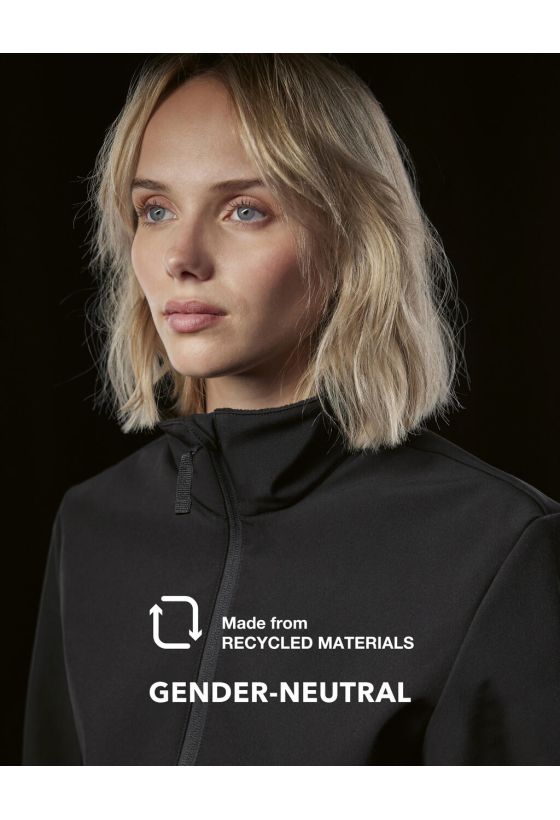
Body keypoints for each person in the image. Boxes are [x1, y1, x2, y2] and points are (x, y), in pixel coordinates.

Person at [22, 54, 560, 766]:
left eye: (245, 210)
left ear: (352, 236)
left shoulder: (496, 545)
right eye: (156, 210)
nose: (182, 257)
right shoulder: (93, 523)